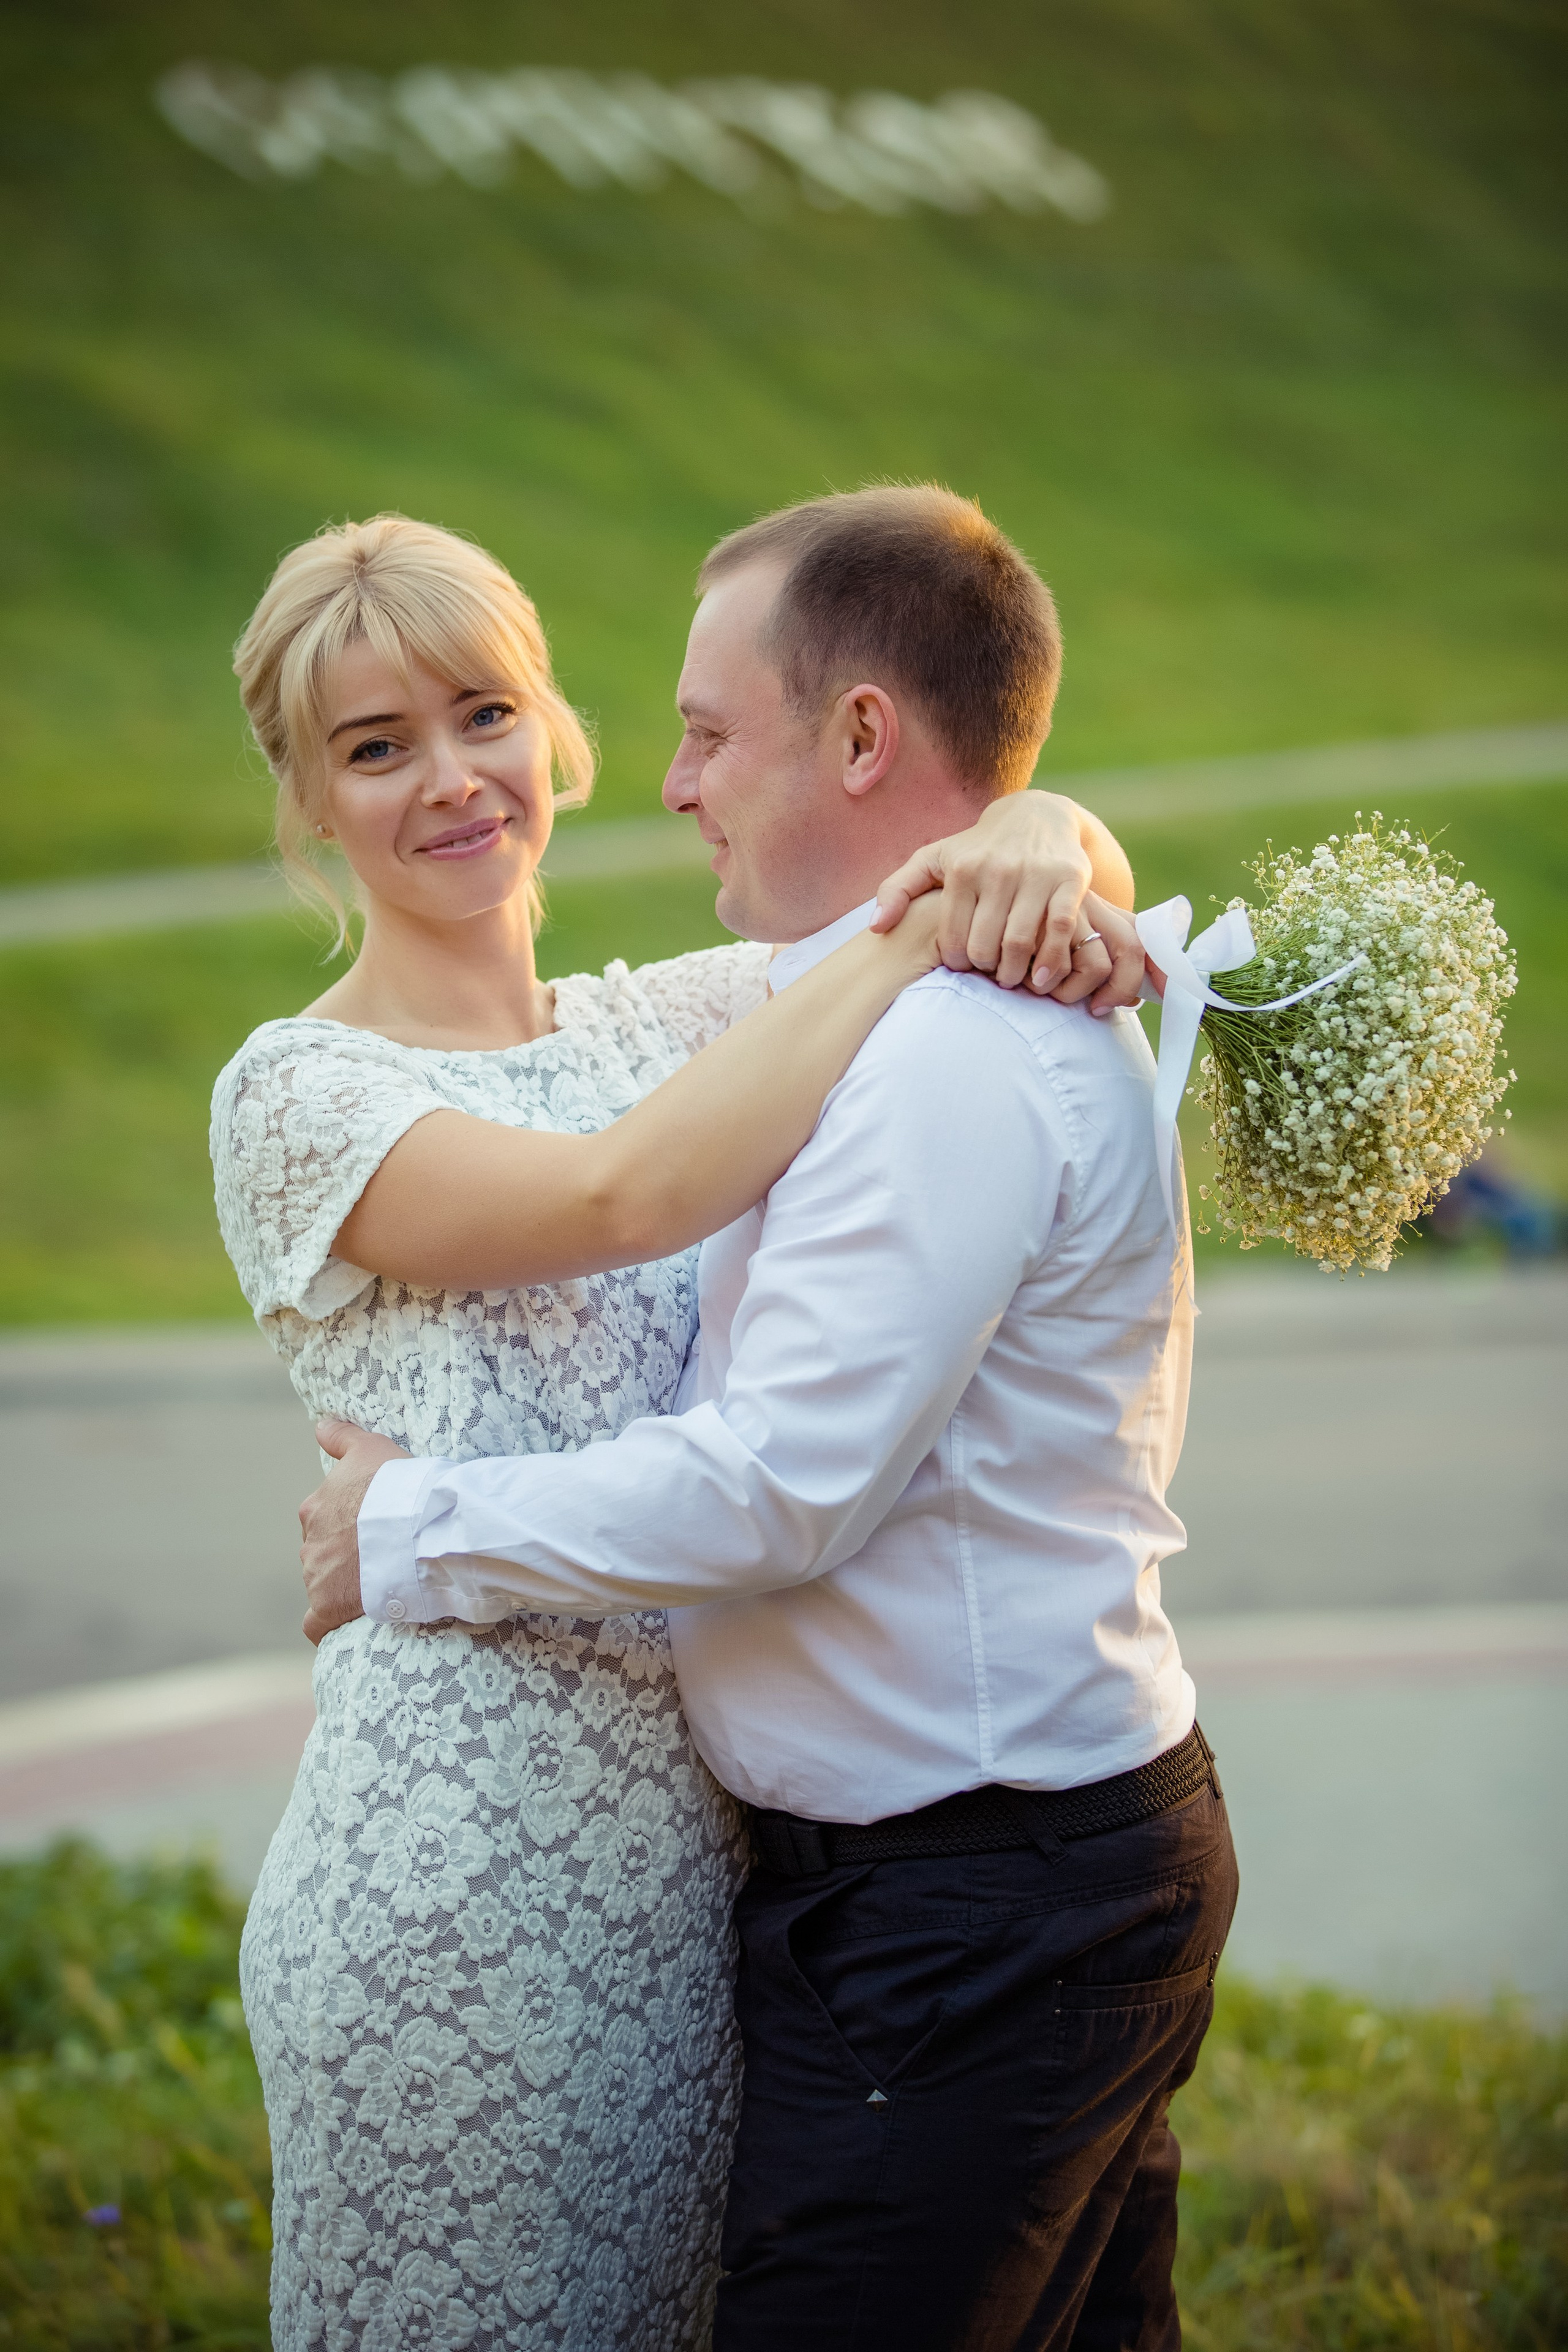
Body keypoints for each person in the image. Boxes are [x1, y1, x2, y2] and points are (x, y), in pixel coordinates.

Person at [301, 485, 1239, 2352]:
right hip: (964, 1889)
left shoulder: (946, 1052)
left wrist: (405, 1529)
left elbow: (781, 1486)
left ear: (863, 737)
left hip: (976, 1907)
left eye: (710, 734)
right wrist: (1038, 833)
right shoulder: (851, 1004)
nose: (674, 785)